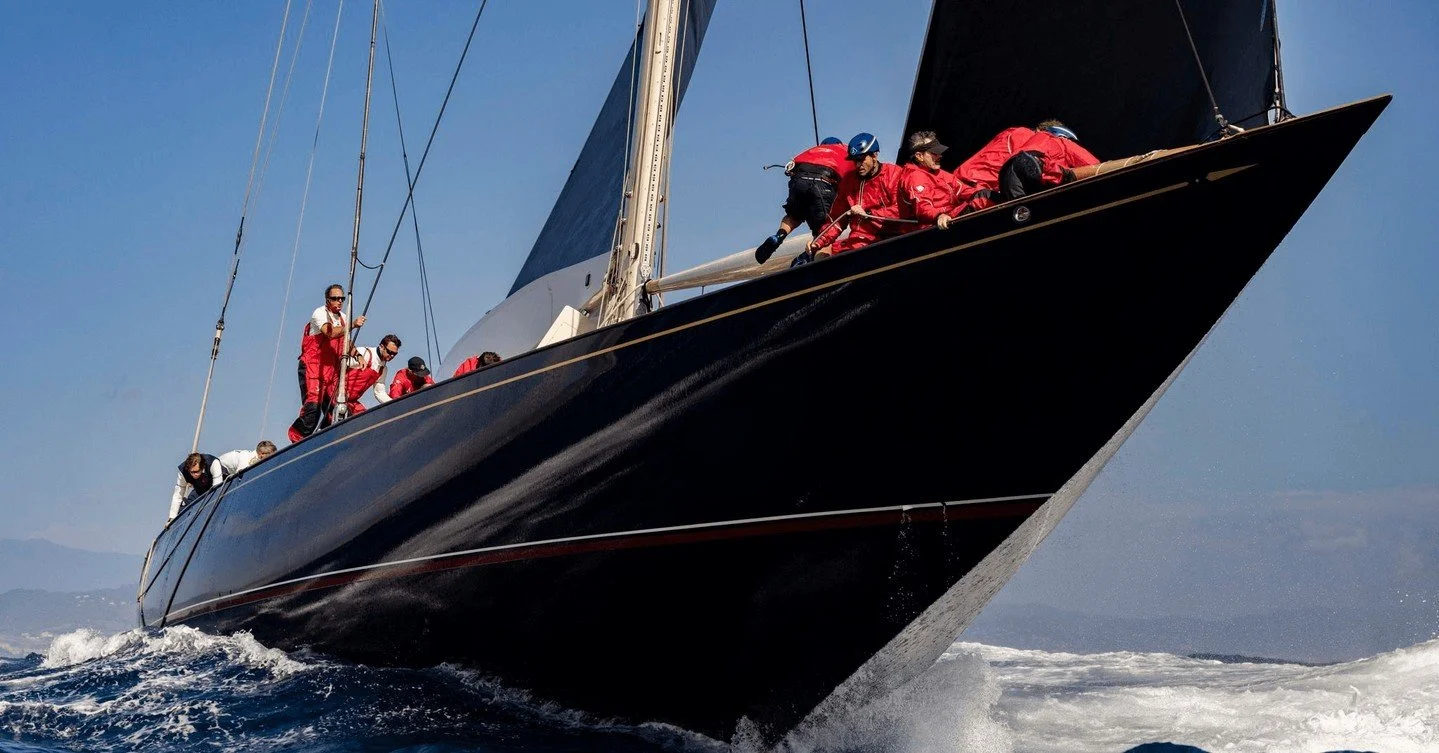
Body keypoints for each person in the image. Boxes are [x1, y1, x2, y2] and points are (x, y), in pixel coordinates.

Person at [952, 119, 1099, 212]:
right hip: (978, 186)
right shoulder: (1042, 138)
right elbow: (1096, 166)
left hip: (960, 188)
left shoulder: (1011, 133)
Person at [801, 132, 906, 262]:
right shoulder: (848, 182)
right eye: (855, 160)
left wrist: (869, 214)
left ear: (874, 155)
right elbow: (836, 220)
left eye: (861, 159)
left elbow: (903, 211)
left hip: (893, 238)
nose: (858, 165)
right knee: (822, 252)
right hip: (860, 240)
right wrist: (818, 241)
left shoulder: (894, 174)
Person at [754, 137, 855, 264]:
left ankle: (779, 236)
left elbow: (791, 169)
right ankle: (821, 267)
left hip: (798, 180)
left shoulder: (812, 150)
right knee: (823, 235)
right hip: (823, 181)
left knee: (793, 216)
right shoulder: (845, 151)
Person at [290, 283, 365, 442]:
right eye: (335, 298)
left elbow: (345, 342)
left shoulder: (343, 317)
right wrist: (352, 325)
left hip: (331, 371)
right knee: (313, 408)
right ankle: (297, 439)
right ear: (327, 300)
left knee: (337, 408)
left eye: (342, 298)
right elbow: (329, 332)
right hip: (313, 368)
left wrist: (357, 355)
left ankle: (328, 438)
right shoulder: (319, 313)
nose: (339, 301)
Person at [995, 120, 1100, 200]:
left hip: (1008, 172)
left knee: (1021, 211)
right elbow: (1094, 166)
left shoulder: (1027, 139)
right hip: (1035, 166)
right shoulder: (1062, 141)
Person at [898, 131, 962, 228]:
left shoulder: (940, 174)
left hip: (950, 216)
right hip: (933, 227)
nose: (940, 155)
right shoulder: (915, 177)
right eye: (934, 153)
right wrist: (939, 216)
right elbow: (923, 207)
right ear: (919, 156)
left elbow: (964, 190)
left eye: (939, 152)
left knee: (981, 195)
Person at [337, 334, 400, 417]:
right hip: (337, 396)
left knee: (366, 419)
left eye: (394, 354)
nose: (392, 356)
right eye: (389, 352)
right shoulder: (364, 353)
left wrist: (395, 405)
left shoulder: (383, 369)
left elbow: (379, 392)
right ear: (382, 347)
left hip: (351, 401)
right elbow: (339, 365)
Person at [169, 452, 228, 521]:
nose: (194, 475)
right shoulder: (183, 472)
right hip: (200, 489)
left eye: (196, 471)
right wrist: (172, 517)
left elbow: (217, 489)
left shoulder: (213, 463)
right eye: (192, 472)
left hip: (222, 485)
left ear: (202, 467)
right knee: (183, 509)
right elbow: (178, 494)